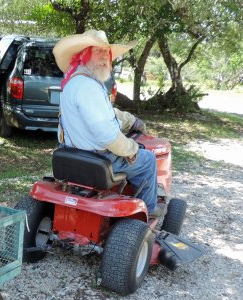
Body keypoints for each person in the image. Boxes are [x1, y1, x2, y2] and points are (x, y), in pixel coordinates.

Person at [53, 29, 165, 218]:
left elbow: (102, 113)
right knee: (147, 160)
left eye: (107, 53)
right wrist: (132, 148)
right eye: (98, 52)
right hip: (98, 157)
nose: (105, 57)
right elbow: (108, 136)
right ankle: (149, 209)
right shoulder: (89, 87)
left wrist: (131, 120)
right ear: (84, 55)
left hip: (71, 153)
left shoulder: (75, 82)